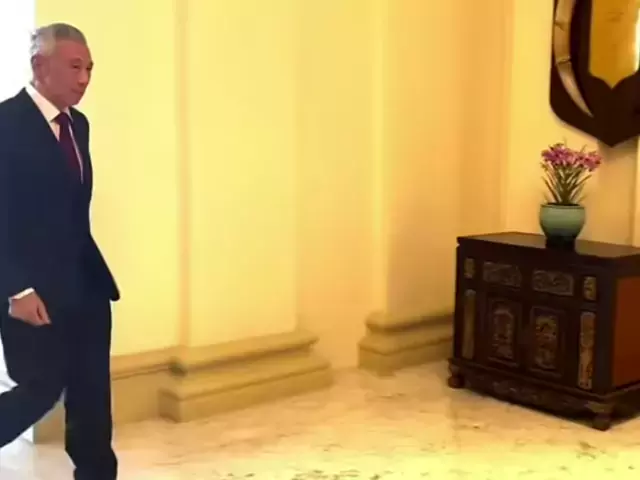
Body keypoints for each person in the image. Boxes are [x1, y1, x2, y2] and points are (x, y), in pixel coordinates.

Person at [0, 23, 120, 479]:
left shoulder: (77, 125)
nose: (84, 78)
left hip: (86, 286)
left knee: (92, 397)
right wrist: (16, 289)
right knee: (40, 388)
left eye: (89, 68)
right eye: (74, 67)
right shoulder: (6, 124)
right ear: (39, 65)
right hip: (32, 291)